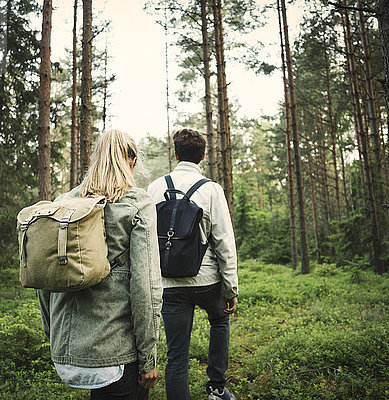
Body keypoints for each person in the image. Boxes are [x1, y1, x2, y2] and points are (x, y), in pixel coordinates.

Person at [38, 130, 163, 399]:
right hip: (115, 355)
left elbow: (44, 278)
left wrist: (53, 334)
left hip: (66, 353)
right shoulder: (137, 204)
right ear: (131, 161)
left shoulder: (64, 203)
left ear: (96, 159)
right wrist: (148, 356)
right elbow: (146, 288)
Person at [147, 128, 239, 400]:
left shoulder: (155, 187)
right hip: (207, 281)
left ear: (175, 154)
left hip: (169, 284)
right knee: (220, 321)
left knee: (177, 353)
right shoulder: (211, 190)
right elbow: (224, 242)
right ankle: (216, 388)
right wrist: (230, 289)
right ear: (202, 156)